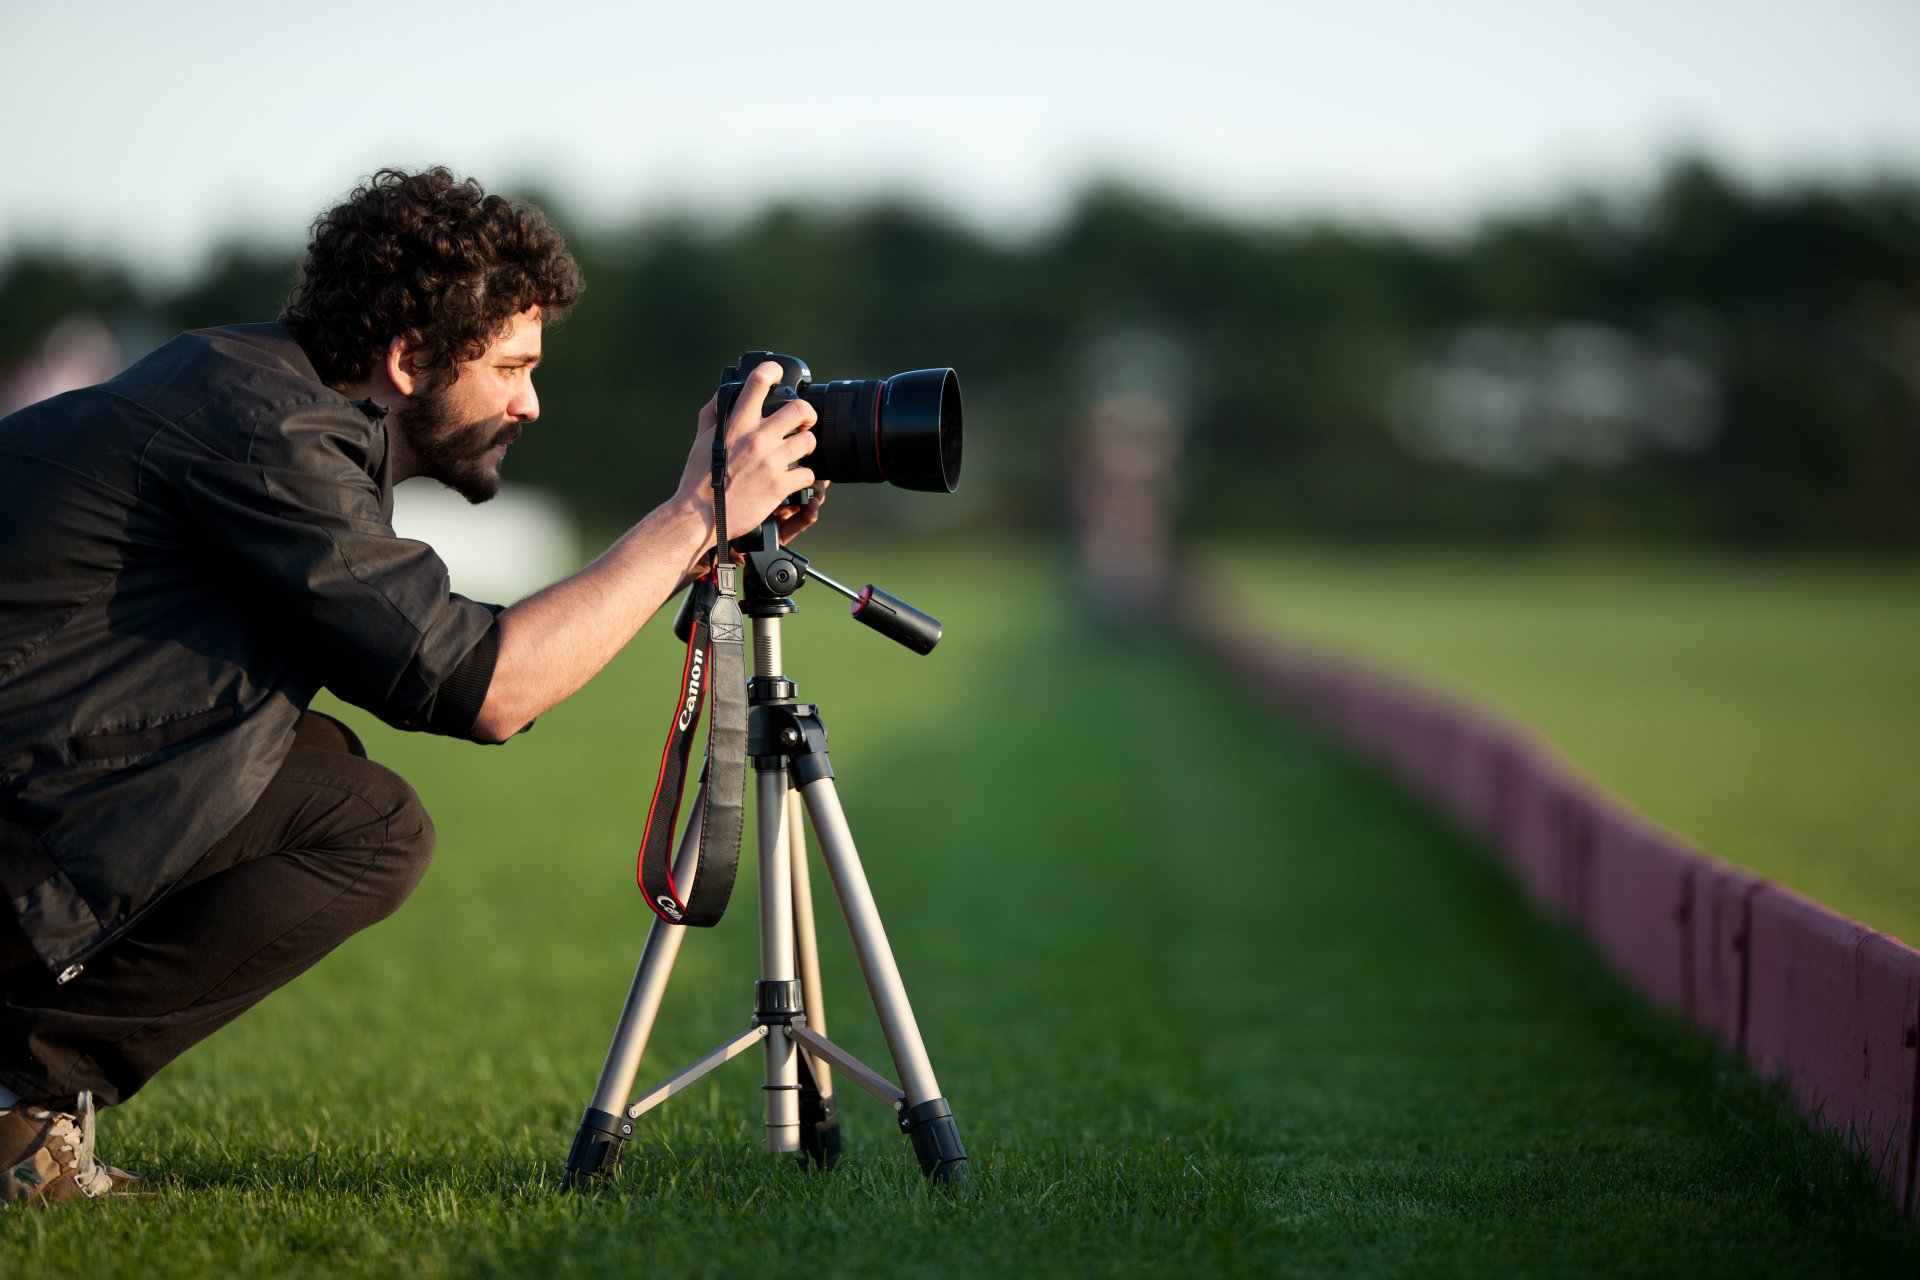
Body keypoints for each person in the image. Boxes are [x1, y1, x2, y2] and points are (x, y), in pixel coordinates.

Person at [0, 167, 824, 1205]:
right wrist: (696, 516)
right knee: (364, 826)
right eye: (514, 365)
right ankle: (19, 1099)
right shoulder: (269, 433)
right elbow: (487, 687)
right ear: (408, 358)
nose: (533, 399)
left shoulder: (249, 391)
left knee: (317, 776)